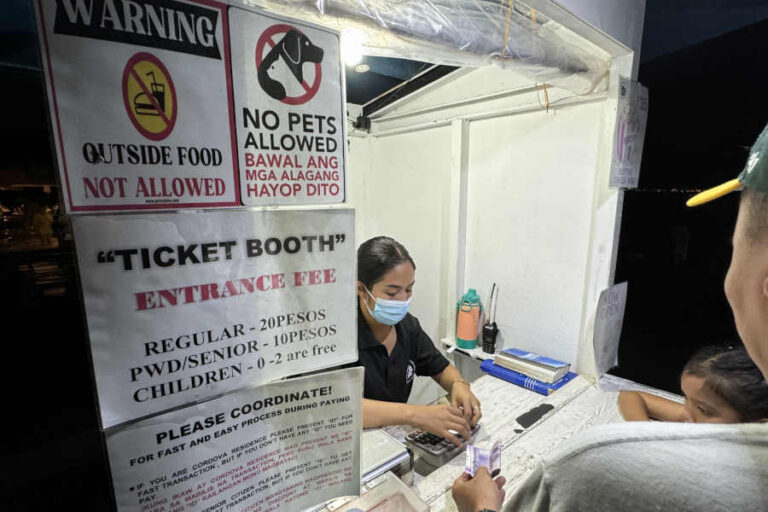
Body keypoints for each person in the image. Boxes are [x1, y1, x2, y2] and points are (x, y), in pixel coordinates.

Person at [452, 122, 768, 511]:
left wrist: (480, 506)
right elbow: (632, 397)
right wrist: (646, 438)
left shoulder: (593, 468)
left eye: (738, 245)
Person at [354, 236, 482, 446]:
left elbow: (440, 367)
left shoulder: (407, 327)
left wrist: (459, 384)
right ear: (361, 289)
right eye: (392, 292)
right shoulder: (337, 338)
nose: (403, 300)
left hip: (392, 440)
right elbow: (337, 408)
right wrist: (416, 415)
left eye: (408, 289)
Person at [618, 344, 768, 423]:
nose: (688, 410)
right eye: (685, 397)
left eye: (702, 409)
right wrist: (643, 432)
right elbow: (631, 396)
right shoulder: (693, 416)